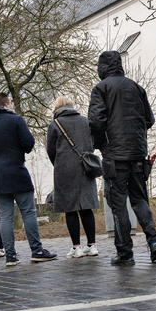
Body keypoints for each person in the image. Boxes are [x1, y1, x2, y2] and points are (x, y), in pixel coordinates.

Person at [88, 51, 156, 266]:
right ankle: (154, 242)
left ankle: (125, 252)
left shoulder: (100, 89)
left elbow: (95, 121)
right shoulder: (136, 88)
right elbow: (149, 119)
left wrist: (100, 142)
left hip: (114, 156)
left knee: (118, 204)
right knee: (140, 200)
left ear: (102, 68)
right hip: (138, 154)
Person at [0, 93, 57, 267]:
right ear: (7, 104)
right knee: (28, 212)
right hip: (16, 172)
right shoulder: (16, 121)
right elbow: (28, 145)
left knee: (5, 216)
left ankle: (10, 256)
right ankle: (37, 251)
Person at [46, 97, 100, 259]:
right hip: (85, 167)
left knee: (70, 209)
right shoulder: (85, 122)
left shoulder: (55, 125)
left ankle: (76, 247)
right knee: (86, 207)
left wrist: (60, 162)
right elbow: (92, 143)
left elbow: (51, 150)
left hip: (65, 170)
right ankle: (92, 246)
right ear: (72, 106)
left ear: (57, 108)